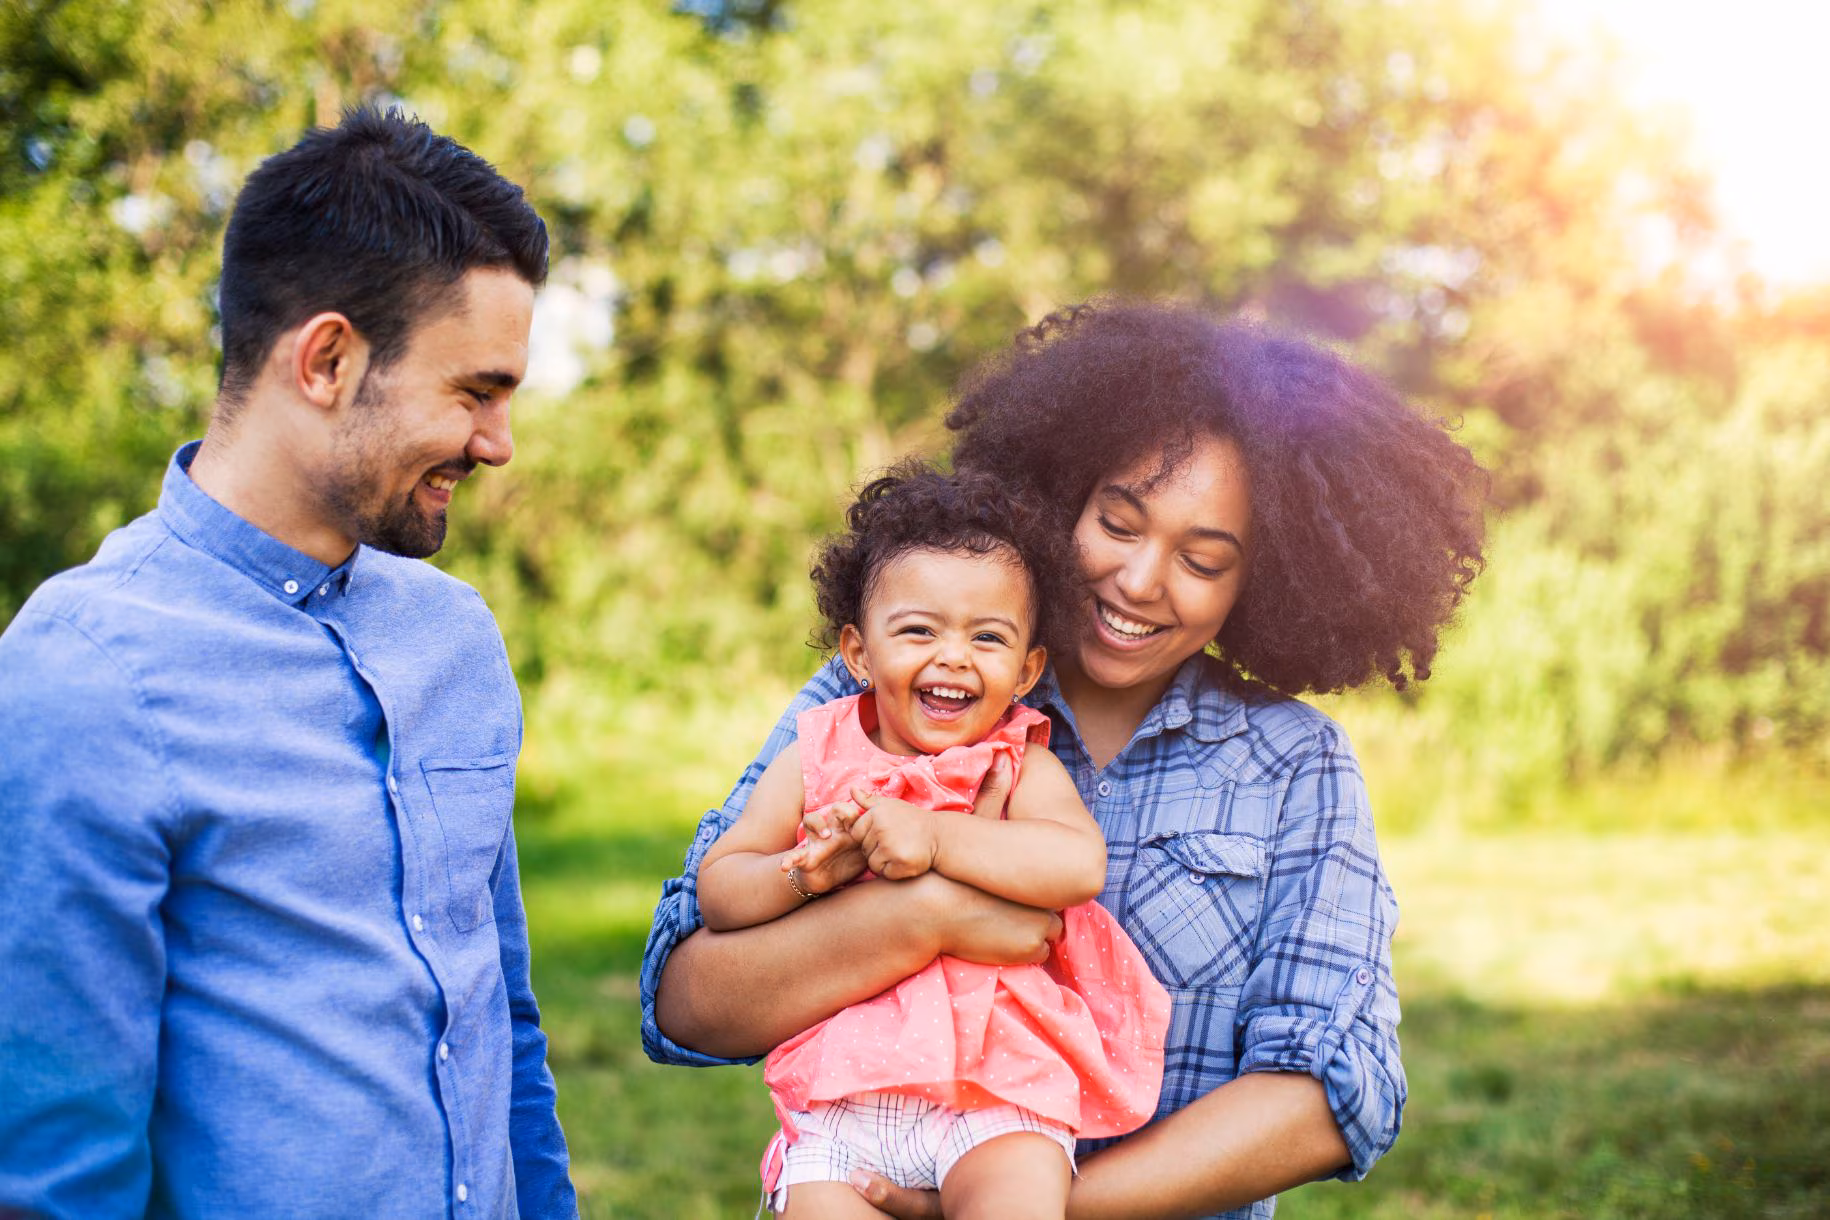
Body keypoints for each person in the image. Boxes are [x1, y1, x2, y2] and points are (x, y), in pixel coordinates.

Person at [642, 300, 1487, 1218]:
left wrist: (1027, 1198)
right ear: (1063, 497)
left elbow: (1335, 1090)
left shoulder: (1293, 767)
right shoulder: (890, 699)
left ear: (1262, 582)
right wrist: (928, 915)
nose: (1138, 580)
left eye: (1202, 561)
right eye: (1118, 524)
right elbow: (684, 1004)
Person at [0, 108, 576, 1218]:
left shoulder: (456, 640)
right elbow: (54, 1171)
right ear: (326, 359)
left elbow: (500, 1026)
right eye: (476, 391)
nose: (499, 442)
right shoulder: (81, 680)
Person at [697, 464, 1171, 1218]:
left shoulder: (1020, 761)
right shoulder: (815, 756)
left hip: (999, 1087)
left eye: (988, 638)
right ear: (858, 653)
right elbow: (719, 892)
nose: (953, 656)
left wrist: (935, 835)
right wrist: (808, 874)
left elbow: (1076, 864)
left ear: (1026, 670)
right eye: (919, 630)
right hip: (843, 1094)